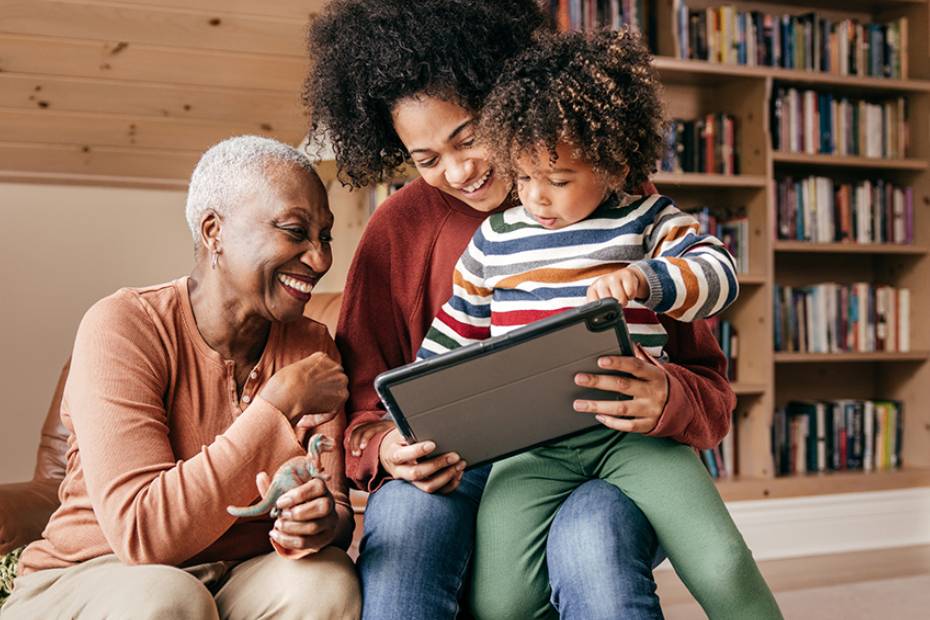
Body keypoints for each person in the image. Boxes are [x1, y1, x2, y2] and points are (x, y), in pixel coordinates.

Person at [304, 1, 739, 618]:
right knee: (404, 523)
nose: (458, 171)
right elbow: (365, 409)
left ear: (506, 104)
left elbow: (709, 386)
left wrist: (666, 396)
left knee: (593, 537)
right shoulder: (395, 231)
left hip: (607, 448)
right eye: (426, 160)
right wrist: (386, 450)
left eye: (470, 136)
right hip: (458, 465)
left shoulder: (611, 198)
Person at [415, 29, 782, 620]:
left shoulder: (648, 219)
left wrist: (647, 279)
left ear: (612, 164)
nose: (536, 197)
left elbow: (719, 274)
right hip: (530, 450)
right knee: (498, 603)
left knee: (721, 563)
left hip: (635, 438)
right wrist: (417, 412)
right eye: (525, 176)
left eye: (558, 181)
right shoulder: (493, 242)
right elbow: (450, 341)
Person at [1, 137, 360, 620]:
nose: (319, 259)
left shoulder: (312, 347)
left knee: (327, 583)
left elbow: (336, 509)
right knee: (168, 598)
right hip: (92, 574)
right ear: (215, 231)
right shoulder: (123, 326)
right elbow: (142, 534)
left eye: (326, 237)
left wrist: (319, 522)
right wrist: (274, 408)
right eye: (296, 231)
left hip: (235, 574)